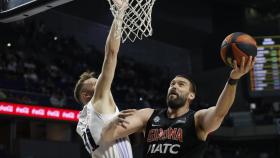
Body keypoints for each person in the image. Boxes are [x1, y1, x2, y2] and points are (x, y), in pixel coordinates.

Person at [101, 56, 256, 158]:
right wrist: (112, 123)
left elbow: (219, 113)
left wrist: (233, 80)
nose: (174, 86)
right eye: (172, 84)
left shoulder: (197, 119)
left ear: (191, 96)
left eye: (181, 85)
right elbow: (107, 137)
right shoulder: (148, 115)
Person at [74, 1, 133, 157]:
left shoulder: (81, 124)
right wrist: (120, 13)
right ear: (86, 95)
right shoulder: (98, 99)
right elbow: (111, 53)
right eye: (97, 83)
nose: (104, 83)